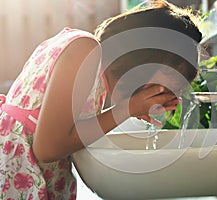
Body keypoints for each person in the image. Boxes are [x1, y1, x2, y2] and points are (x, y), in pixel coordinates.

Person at [0, 0, 202, 199]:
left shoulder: (94, 72)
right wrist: (126, 109)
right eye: (175, 79)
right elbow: (48, 148)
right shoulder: (85, 49)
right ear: (147, 57)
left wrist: (129, 107)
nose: (173, 92)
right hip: (17, 174)